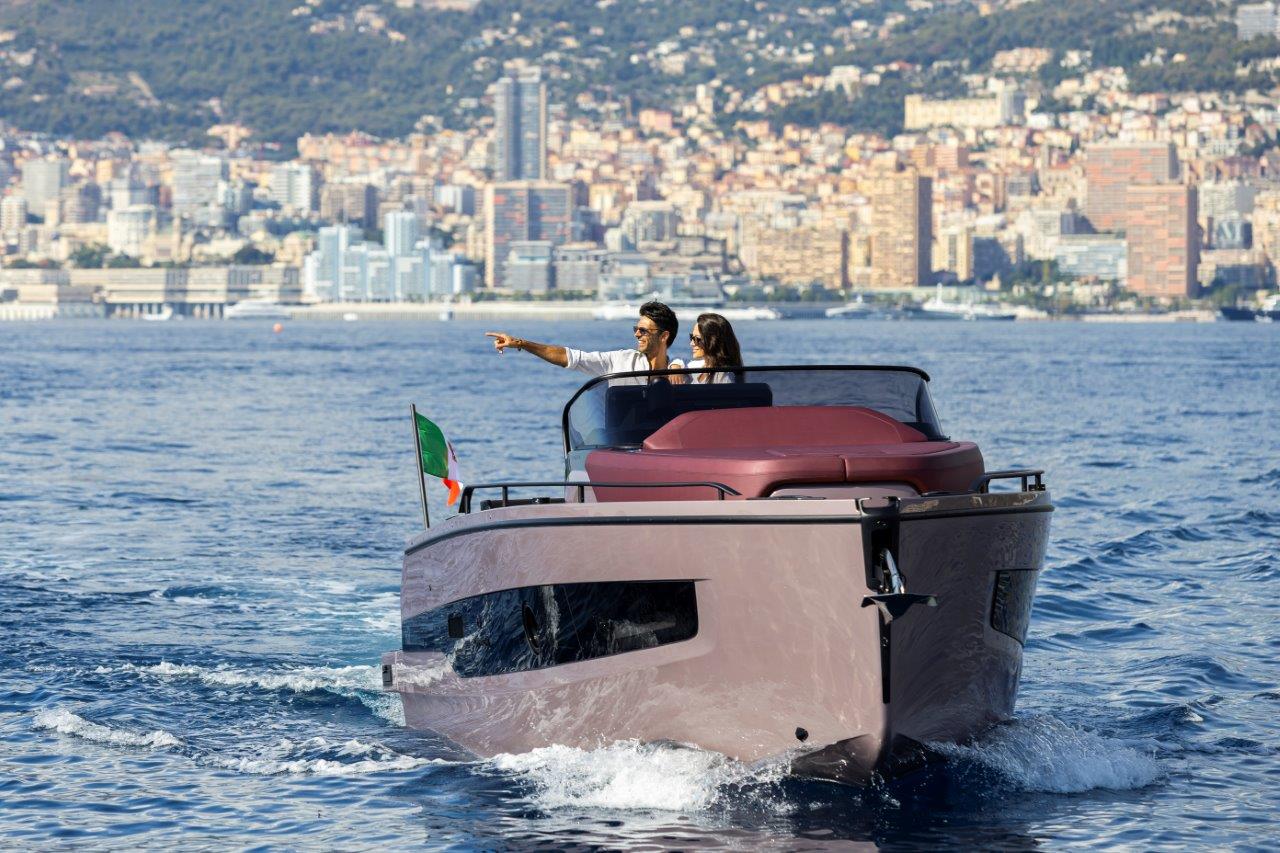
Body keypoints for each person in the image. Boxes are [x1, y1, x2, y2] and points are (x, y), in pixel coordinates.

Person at [486, 301, 684, 383]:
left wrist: (678, 367)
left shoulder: (682, 373)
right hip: (624, 445)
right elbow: (570, 357)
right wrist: (521, 343)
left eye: (643, 331)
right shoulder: (621, 360)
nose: (637, 335)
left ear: (664, 336)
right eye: (636, 329)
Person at [687, 312, 743, 383]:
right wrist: (676, 364)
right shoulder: (705, 365)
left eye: (697, 339)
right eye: (691, 337)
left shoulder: (724, 377)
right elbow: (683, 362)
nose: (691, 343)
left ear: (713, 341)